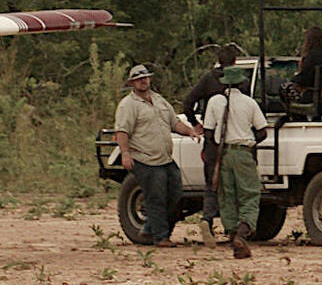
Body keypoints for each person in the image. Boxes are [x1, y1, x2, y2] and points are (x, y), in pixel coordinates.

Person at [113, 64, 203, 248]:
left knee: (176, 192)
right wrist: (125, 154)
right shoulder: (128, 105)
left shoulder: (159, 100)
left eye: (145, 78)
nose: (143, 81)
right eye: (139, 79)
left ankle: (149, 228)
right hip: (145, 158)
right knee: (156, 197)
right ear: (132, 83)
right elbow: (122, 131)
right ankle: (161, 237)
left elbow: (174, 123)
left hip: (165, 158)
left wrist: (190, 132)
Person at [202, 66, 269, 259]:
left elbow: (208, 132)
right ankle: (242, 234)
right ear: (241, 83)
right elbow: (263, 131)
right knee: (250, 195)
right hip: (243, 153)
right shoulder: (249, 103)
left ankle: (233, 237)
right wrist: (249, 141)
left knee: (227, 197)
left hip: (224, 154)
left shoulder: (214, 101)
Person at [181, 45, 239, 241]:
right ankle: (232, 228)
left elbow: (188, 103)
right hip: (233, 138)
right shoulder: (240, 81)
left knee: (211, 183)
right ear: (235, 62)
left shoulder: (208, 79)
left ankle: (207, 220)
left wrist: (196, 124)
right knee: (231, 184)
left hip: (212, 139)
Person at [283, 26, 322, 105]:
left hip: (315, 94)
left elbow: (304, 79)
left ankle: (298, 116)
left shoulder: (311, 57)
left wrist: (295, 77)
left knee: (284, 88)